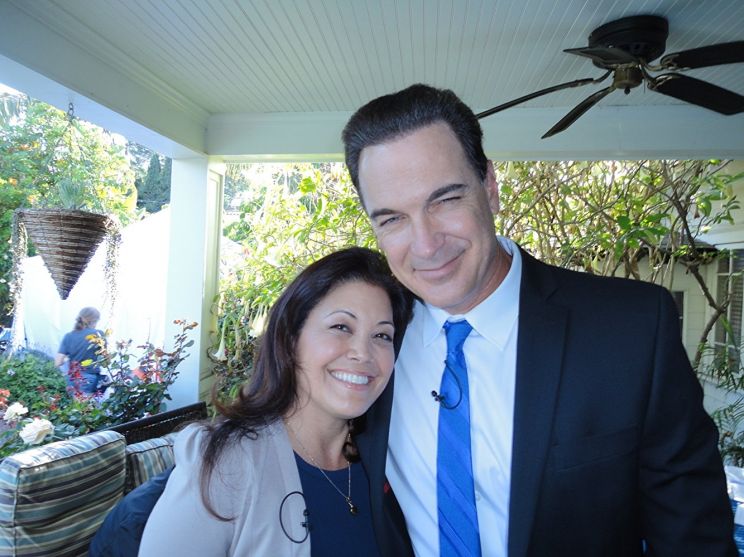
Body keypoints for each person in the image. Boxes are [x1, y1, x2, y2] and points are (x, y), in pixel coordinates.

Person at [342, 84, 736, 556]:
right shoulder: (368, 347)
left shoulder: (631, 329)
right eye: (392, 219)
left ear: (490, 186)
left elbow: (694, 535)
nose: (426, 245)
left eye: (444, 200)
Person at [139, 247, 413, 556]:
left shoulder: (387, 460)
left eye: (382, 336)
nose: (363, 353)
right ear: (291, 338)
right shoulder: (224, 463)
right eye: (341, 327)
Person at [54, 306, 105, 395]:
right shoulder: (98, 334)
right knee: (85, 403)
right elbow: (106, 360)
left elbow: (58, 363)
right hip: (88, 379)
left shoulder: (68, 336)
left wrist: (70, 359)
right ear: (94, 321)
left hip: (72, 378)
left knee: (75, 403)